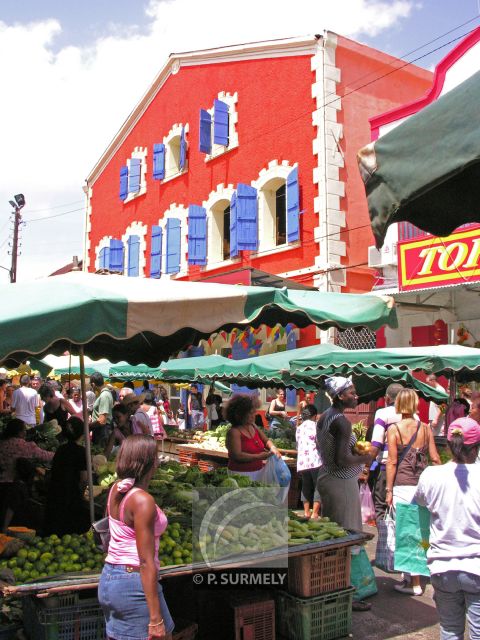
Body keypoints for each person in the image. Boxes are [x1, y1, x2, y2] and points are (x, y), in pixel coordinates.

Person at [98, 435, 174, 640]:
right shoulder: (142, 501)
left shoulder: (116, 489)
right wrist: (155, 618)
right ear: (150, 462)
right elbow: (145, 561)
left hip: (110, 578)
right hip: (134, 582)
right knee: (161, 633)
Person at [415, 416, 480, 640]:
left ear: (449, 445)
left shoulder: (431, 475)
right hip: (476, 568)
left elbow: (420, 502)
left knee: (450, 630)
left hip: (442, 568)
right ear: (477, 447)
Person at [385, 388, 441, 596]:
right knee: (423, 528)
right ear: (416, 404)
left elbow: (391, 462)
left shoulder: (394, 430)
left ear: (399, 405)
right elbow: (435, 458)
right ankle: (413, 574)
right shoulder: (425, 428)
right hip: (423, 485)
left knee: (407, 532)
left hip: (403, 485)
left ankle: (414, 583)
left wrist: (388, 489)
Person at [316, 376, 372, 531]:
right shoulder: (342, 422)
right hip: (341, 482)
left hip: (327, 476)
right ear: (340, 396)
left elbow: (326, 446)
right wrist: (367, 457)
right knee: (346, 531)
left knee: (332, 529)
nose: (356, 396)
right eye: (351, 393)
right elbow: (341, 460)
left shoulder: (325, 416)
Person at [44, 416, 90, 535]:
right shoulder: (81, 451)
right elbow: (84, 479)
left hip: (55, 493)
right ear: (82, 434)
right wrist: (81, 495)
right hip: (70, 496)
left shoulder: (60, 449)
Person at [368, 383, 404, 521]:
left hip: (385, 468)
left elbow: (376, 444)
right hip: (406, 470)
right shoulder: (414, 416)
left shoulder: (383, 413)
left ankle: (384, 541)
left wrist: (366, 466)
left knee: (381, 507)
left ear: (387, 399)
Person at [226, 394, 281, 481]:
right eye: (250, 413)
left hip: (258, 472)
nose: (254, 415)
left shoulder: (253, 425)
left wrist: (273, 447)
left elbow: (265, 440)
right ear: (240, 414)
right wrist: (259, 456)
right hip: (239, 475)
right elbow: (237, 455)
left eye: (254, 412)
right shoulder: (234, 432)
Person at [0, 418, 54, 485]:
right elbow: (45, 456)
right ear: (20, 432)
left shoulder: (2, 443)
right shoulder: (24, 446)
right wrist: (60, 453)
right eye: (24, 430)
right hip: (14, 485)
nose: (26, 432)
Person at [296, 404, 322, 519]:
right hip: (315, 460)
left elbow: (297, 444)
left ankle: (306, 512)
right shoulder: (316, 426)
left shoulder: (299, 428)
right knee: (318, 486)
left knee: (305, 486)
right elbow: (319, 443)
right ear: (314, 416)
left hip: (303, 461)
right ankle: (315, 513)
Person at [90, 372, 114, 447]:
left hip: (102, 431)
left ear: (93, 384)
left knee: (99, 455)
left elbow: (102, 420)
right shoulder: (104, 394)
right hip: (100, 430)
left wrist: (88, 426)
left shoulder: (104, 395)